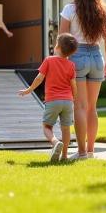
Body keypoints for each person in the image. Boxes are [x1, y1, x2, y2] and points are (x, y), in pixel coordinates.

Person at [59, 0, 106, 160]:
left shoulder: (69, 9)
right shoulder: (102, 11)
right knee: (92, 108)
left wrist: (61, 61)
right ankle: (90, 151)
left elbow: (63, 39)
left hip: (77, 57)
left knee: (79, 106)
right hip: (98, 57)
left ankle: (81, 153)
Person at [18, 33, 79, 162]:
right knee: (66, 128)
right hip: (68, 101)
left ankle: (55, 142)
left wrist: (29, 90)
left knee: (47, 127)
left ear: (57, 47)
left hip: (53, 100)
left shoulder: (49, 60)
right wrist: (74, 99)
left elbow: (39, 78)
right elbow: (73, 85)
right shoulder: (71, 65)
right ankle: (65, 155)